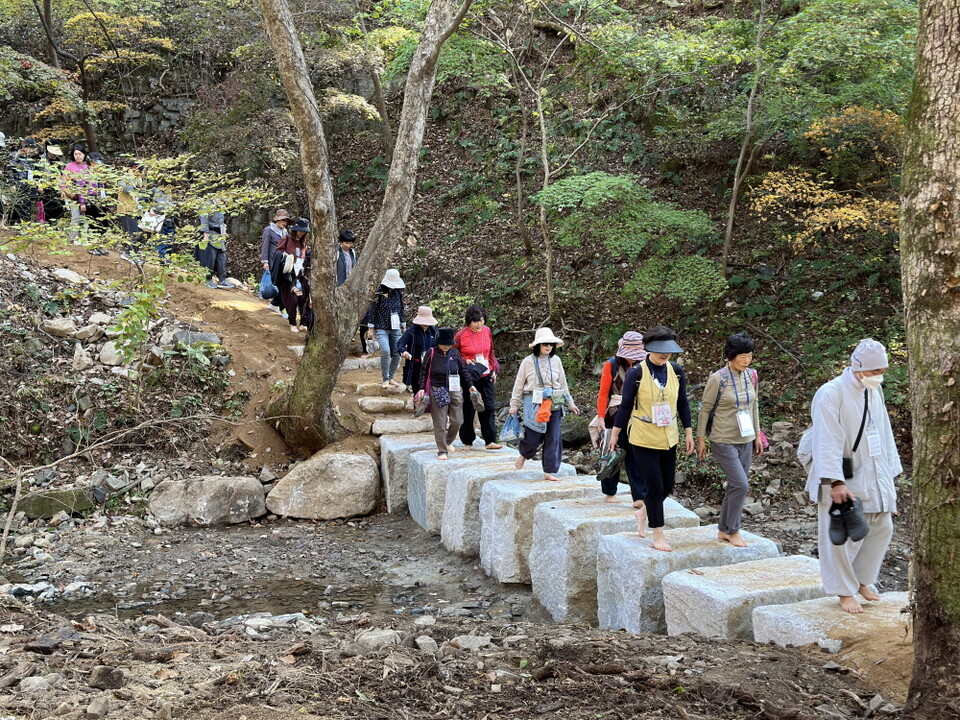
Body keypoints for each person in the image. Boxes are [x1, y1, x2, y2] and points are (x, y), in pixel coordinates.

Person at [803, 338, 902, 615]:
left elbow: (884, 434)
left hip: (873, 471)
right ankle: (844, 590)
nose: (879, 376)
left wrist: (889, 480)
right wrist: (835, 481)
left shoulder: (874, 391)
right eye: (875, 371)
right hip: (842, 474)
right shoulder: (831, 393)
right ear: (858, 369)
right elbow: (827, 439)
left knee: (882, 527)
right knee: (841, 535)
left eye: (882, 370)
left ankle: (861, 581)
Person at [608, 325, 695, 552]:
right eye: (659, 349)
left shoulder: (676, 371)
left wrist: (688, 431)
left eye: (668, 350)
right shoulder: (637, 373)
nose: (664, 354)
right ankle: (657, 534)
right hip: (643, 435)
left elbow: (682, 403)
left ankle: (643, 512)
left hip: (668, 435)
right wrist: (615, 434)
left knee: (666, 485)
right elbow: (625, 406)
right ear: (648, 349)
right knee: (654, 485)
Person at [696, 332, 763, 547]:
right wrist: (700, 439)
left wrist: (757, 435)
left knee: (736, 486)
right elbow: (705, 409)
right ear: (731, 355)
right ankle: (733, 530)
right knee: (741, 484)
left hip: (746, 437)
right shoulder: (718, 378)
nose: (747, 360)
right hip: (723, 438)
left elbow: (754, 405)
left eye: (750, 355)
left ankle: (724, 530)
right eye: (742, 356)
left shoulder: (751, 375)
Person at [510, 327, 580, 481]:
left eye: (550, 344)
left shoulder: (556, 361)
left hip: (554, 402)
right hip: (534, 403)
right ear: (538, 346)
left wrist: (570, 403)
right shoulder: (528, 362)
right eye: (545, 344)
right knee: (533, 434)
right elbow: (519, 385)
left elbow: (563, 384)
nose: (548, 347)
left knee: (553, 436)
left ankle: (549, 471)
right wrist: (513, 405)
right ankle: (524, 454)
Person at [593, 331, 647, 502]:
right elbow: (603, 393)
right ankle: (609, 492)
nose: (632, 359)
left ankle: (639, 496)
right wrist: (601, 417)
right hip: (613, 413)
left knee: (636, 454)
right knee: (612, 451)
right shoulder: (611, 365)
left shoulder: (645, 365)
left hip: (637, 413)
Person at [417, 327, 476, 460]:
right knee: (440, 422)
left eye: (449, 344)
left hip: (455, 389)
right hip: (438, 389)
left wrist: (470, 386)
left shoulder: (455, 353)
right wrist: (421, 388)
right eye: (444, 344)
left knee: (458, 420)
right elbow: (423, 372)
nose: (446, 346)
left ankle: (448, 441)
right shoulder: (431, 353)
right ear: (438, 342)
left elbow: (463, 371)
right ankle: (442, 450)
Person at [454, 304, 502, 450]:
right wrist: (464, 360)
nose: (479, 324)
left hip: (486, 373)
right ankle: (467, 441)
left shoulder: (487, 331)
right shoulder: (460, 335)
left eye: (481, 320)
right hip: (470, 376)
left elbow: (491, 352)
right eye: (475, 321)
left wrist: (494, 369)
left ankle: (490, 441)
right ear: (469, 321)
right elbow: (453, 355)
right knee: (469, 407)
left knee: (488, 406)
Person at [362, 268, 406, 387]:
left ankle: (391, 377)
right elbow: (372, 310)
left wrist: (403, 325)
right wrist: (370, 328)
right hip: (381, 327)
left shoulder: (398, 294)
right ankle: (385, 378)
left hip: (396, 328)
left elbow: (401, 310)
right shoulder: (379, 293)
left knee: (397, 352)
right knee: (385, 351)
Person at [273, 217, 311, 332]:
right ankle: (292, 322)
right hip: (288, 275)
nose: (301, 233)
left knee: (303, 298)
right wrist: (285, 256)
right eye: (300, 230)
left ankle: (304, 323)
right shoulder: (286, 239)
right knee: (292, 299)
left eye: (303, 231)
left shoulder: (303, 243)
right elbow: (277, 253)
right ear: (295, 230)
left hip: (301, 274)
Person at [398, 306, 438, 391]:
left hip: (430, 364)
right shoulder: (411, 331)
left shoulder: (434, 332)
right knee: (417, 388)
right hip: (415, 364)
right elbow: (400, 343)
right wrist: (404, 352)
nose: (425, 324)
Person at [61, 144, 93, 239]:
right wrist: (64, 191)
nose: (78, 156)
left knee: (86, 217)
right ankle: (73, 237)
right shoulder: (69, 166)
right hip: (73, 195)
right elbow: (64, 181)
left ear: (84, 154)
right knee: (76, 217)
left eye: (80, 154)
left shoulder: (87, 167)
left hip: (85, 194)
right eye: (76, 154)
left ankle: (85, 237)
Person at [198, 204, 232, 289]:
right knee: (210, 258)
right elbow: (204, 221)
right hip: (210, 234)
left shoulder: (221, 207)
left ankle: (222, 279)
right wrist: (205, 235)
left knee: (222, 257)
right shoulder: (207, 206)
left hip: (219, 236)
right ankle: (208, 279)